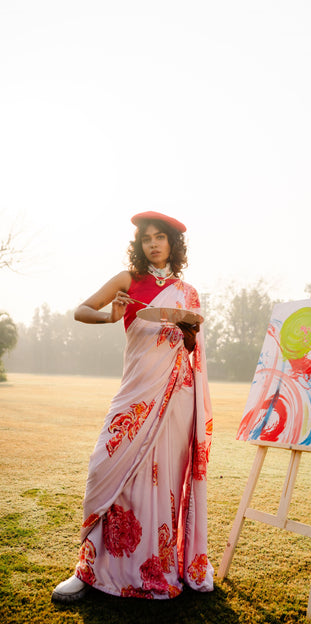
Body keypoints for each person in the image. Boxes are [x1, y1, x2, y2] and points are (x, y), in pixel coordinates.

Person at [52, 211, 214, 602]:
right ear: (139, 245)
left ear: (174, 244)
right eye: (147, 239)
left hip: (176, 397)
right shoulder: (127, 280)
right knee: (104, 467)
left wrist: (189, 337)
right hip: (135, 394)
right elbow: (81, 310)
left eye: (161, 238)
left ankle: (153, 566)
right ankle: (90, 567)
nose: (153, 244)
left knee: (163, 482)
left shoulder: (187, 292)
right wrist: (110, 316)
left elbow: (191, 351)